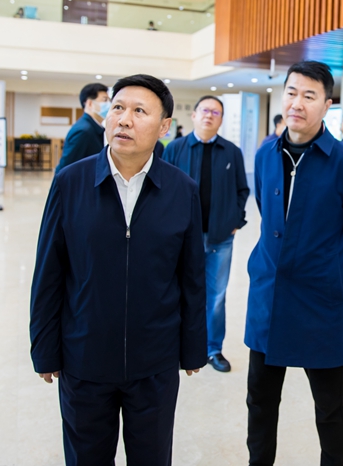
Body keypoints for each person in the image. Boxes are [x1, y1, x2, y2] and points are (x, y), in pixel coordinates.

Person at [29, 74, 207, 466]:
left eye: (139, 111)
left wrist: (194, 347)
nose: (124, 119)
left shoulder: (182, 190)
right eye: (118, 108)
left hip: (154, 362)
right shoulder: (70, 183)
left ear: (163, 127)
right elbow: (49, 272)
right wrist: (44, 348)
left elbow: (192, 277)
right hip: (84, 358)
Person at [246, 60, 343, 466]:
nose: (297, 103)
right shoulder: (265, 154)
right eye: (291, 92)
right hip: (268, 296)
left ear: (326, 105)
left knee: (330, 405)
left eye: (309, 95)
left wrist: (333, 272)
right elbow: (268, 214)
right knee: (260, 401)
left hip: (320, 301)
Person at [164, 96, 250, 373]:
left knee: (216, 296)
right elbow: (160, 189)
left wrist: (235, 220)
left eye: (216, 112)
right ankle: (178, 346)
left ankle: (213, 349)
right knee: (177, 291)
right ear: (194, 115)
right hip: (181, 238)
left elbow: (242, 190)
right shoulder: (175, 148)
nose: (209, 115)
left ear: (221, 119)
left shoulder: (232, 152)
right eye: (205, 110)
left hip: (220, 238)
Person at [55, 83, 109, 172]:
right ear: (90, 103)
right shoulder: (84, 131)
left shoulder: (94, 127)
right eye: (105, 100)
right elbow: (66, 166)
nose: (109, 104)